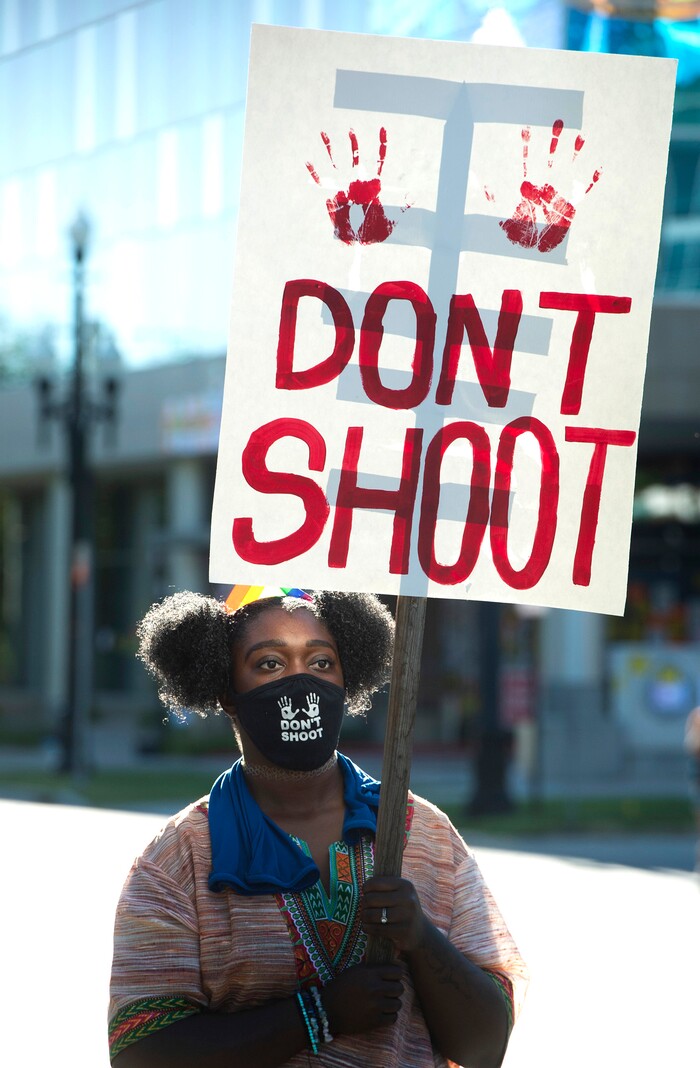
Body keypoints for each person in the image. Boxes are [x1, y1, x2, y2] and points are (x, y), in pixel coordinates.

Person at [108, 588, 528, 1067]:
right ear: (226, 691)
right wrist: (317, 1015)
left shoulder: (426, 835)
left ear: (349, 678)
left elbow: (486, 1046)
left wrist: (421, 937)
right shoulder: (177, 859)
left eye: (321, 662)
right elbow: (138, 1051)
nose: (301, 683)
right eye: (269, 664)